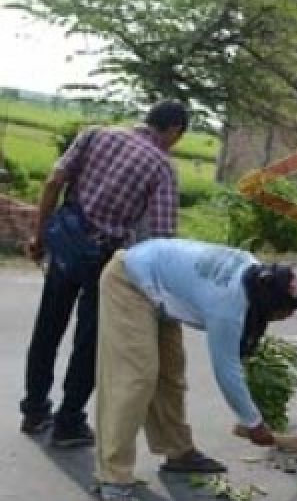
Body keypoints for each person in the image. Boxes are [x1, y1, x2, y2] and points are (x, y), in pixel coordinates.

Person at [93, 238, 297, 501]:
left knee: (171, 376)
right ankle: (112, 475)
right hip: (131, 281)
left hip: (161, 290)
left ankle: (178, 451)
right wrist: (253, 422)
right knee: (136, 379)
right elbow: (226, 370)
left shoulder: (256, 274)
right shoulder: (228, 305)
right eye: (287, 310)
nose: (289, 317)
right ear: (270, 301)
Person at [20, 100, 189, 446]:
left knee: (47, 327)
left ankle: (34, 411)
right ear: (173, 130)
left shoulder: (96, 134)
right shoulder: (161, 167)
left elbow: (54, 181)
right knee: (89, 343)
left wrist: (39, 234)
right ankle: (68, 423)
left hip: (65, 240)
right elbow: (160, 238)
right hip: (103, 259)